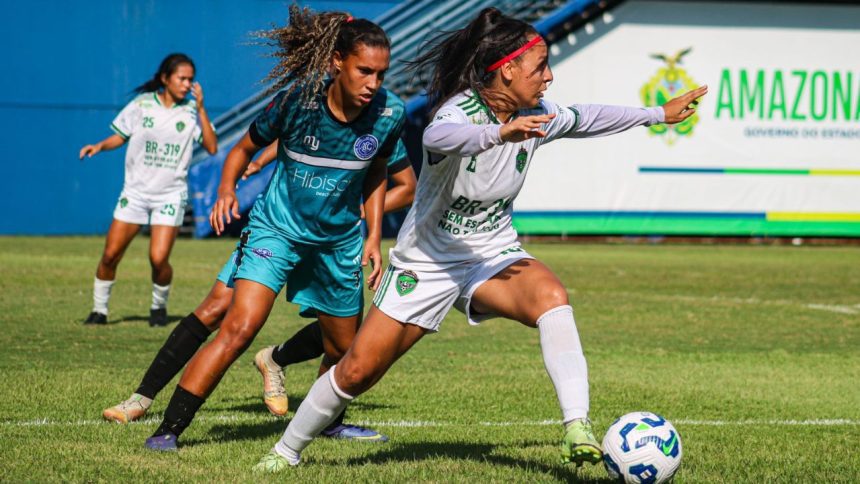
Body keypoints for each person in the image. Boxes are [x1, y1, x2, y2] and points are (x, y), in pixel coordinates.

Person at [253, 7, 707, 472]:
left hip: (491, 254)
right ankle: (285, 452)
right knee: (357, 371)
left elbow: (586, 116)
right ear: (507, 70)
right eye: (539, 67)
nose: (548, 77)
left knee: (551, 296)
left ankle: (577, 426)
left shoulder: (536, 113)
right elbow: (440, 134)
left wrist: (656, 114)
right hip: (426, 261)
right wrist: (498, 132)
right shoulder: (461, 110)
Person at [143, 8, 406, 451]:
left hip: (338, 243)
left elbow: (378, 172)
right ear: (336, 62)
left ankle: (325, 421)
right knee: (239, 326)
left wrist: (374, 236)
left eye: (381, 73)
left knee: (344, 349)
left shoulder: (389, 112)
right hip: (276, 229)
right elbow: (243, 147)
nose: (373, 84)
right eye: (365, 71)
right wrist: (227, 188)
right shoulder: (299, 101)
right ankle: (169, 429)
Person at [102, 139, 416, 443]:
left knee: (342, 339)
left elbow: (407, 188)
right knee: (217, 309)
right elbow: (289, 135)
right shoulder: (314, 110)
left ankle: (288, 375)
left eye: (377, 80)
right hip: (276, 229)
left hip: (330, 242)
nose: (371, 84)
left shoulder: (381, 122)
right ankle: (140, 399)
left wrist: (349, 210)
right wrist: (259, 162)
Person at [80, 53, 218, 327]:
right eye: (182, 78)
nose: (187, 83)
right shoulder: (142, 105)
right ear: (165, 79)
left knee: (158, 258)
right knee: (110, 255)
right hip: (136, 193)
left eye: (191, 79)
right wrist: (99, 146)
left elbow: (213, 147)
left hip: (170, 195)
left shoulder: (191, 111)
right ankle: (99, 311)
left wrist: (202, 109)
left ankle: (158, 308)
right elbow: (120, 135)